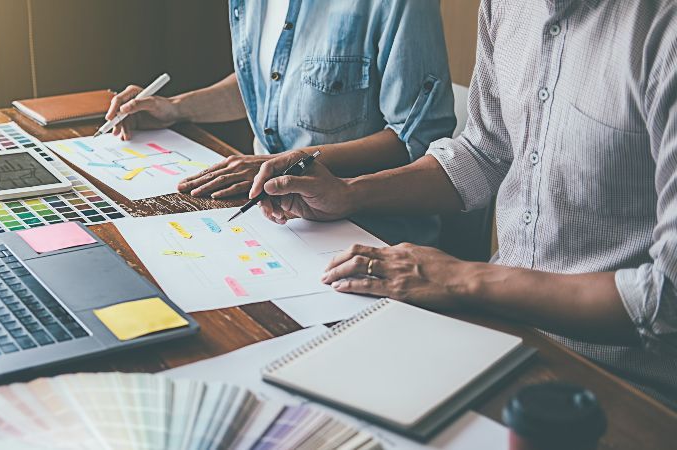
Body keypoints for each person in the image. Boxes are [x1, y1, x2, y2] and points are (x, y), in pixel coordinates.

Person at [249, 0, 677, 408]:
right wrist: (348, 193)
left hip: (630, 383)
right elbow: (485, 152)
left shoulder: (663, 28)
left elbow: (666, 298)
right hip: (499, 334)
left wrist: (462, 279)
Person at [104, 0, 455, 245]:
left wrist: (291, 165)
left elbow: (416, 140)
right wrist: (175, 107)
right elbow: (267, 85)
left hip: (369, 233)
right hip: (270, 219)